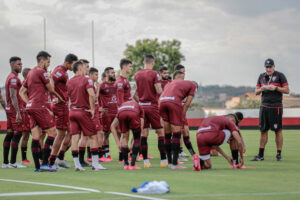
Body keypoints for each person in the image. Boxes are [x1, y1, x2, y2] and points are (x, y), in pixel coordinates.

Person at [19, 51, 64, 172]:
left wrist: (29, 102)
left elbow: (21, 92)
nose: (49, 64)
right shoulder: (41, 72)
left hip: (31, 107)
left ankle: (37, 167)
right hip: (40, 106)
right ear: (42, 60)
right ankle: (45, 164)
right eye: (48, 61)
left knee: (36, 136)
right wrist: (60, 98)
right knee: (52, 133)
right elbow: (51, 89)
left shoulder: (31, 72)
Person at [67, 61, 106, 171]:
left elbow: (69, 98)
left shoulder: (69, 82)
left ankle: (77, 165)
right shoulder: (86, 79)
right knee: (93, 137)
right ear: (79, 69)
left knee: (75, 138)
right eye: (84, 68)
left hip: (72, 111)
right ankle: (95, 164)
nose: (86, 70)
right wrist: (92, 108)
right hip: (83, 111)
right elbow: (92, 95)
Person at [252, 58, 289, 162]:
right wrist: (261, 89)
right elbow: (256, 92)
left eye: (270, 67)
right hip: (264, 106)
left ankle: (278, 155)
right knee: (263, 131)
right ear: (265, 67)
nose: (268, 69)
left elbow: (287, 90)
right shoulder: (261, 76)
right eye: (267, 67)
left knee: (278, 131)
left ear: (274, 67)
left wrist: (276, 88)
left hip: (276, 106)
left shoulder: (280, 75)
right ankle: (261, 155)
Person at [159, 70, 197, 169]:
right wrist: (182, 115)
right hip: (173, 103)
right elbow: (187, 103)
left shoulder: (170, 83)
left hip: (162, 102)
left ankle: (170, 162)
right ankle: (175, 164)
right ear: (183, 76)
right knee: (176, 133)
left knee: (167, 134)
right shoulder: (192, 85)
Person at [134, 55, 167, 168]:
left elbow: (136, 95)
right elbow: (158, 90)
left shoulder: (137, 74)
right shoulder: (154, 74)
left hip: (141, 107)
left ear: (144, 62)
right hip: (152, 106)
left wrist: (141, 102)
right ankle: (163, 160)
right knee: (160, 132)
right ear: (152, 62)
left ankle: (146, 161)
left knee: (144, 134)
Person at [48, 53, 78, 169]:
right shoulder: (59, 71)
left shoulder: (64, 72)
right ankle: (52, 161)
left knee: (71, 131)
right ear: (67, 63)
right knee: (60, 134)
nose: (74, 67)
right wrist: (53, 98)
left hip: (64, 105)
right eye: (74, 64)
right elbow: (50, 83)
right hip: (60, 106)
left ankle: (60, 158)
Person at [2, 56, 26, 168]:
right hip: (14, 110)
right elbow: (12, 95)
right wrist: (18, 112)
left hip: (9, 109)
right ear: (12, 65)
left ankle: (6, 162)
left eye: (21, 64)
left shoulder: (10, 77)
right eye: (18, 64)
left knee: (10, 134)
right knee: (18, 133)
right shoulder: (13, 78)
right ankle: (13, 162)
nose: (21, 66)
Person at [111, 100, 144, 170]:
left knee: (125, 137)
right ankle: (132, 164)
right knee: (137, 138)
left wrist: (118, 143)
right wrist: (134, 144)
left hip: (122, 113)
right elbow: (141, 127)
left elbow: (112, 126)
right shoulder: (140, 107)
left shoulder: (122, 106)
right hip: (133, 114)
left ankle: (126, 164)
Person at [174, 64, 196, 159]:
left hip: (181, 111)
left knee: (185, 131)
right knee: (176, 132)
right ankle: (175, 154)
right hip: (176, 111)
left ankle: (181, 151)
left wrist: (186, 102)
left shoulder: (183, 84)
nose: (184, 73)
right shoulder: (173, 83)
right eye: (183, 71)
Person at [99, 67, 119, 161]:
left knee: (120, 132)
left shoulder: (116, 85)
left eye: (114, 72)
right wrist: (99, 108)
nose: (114, 74)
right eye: (112, 72)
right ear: (107, 74)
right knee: (106, 134)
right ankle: (106, 154)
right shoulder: (102, 85)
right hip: (106, 114)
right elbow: (94, 98)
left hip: (117, 113)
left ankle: (122, 153)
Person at [20, 68, 32, 165]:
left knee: (28, 135)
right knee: (26, 136)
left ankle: (25, 158)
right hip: (26, 113)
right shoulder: (26, 84)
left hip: (28, 112)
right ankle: (24, 159)